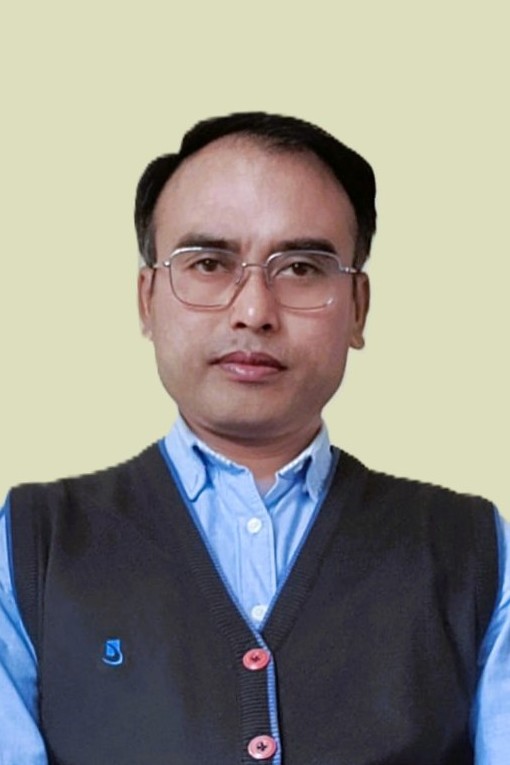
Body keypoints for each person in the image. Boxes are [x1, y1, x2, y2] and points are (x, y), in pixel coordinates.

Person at [0, 112, 508, 765]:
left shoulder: (476, 550)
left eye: (300, 268)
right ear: (147, 298)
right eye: (209, 263)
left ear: (358, 308)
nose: (253, 311)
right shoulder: (31, 548)